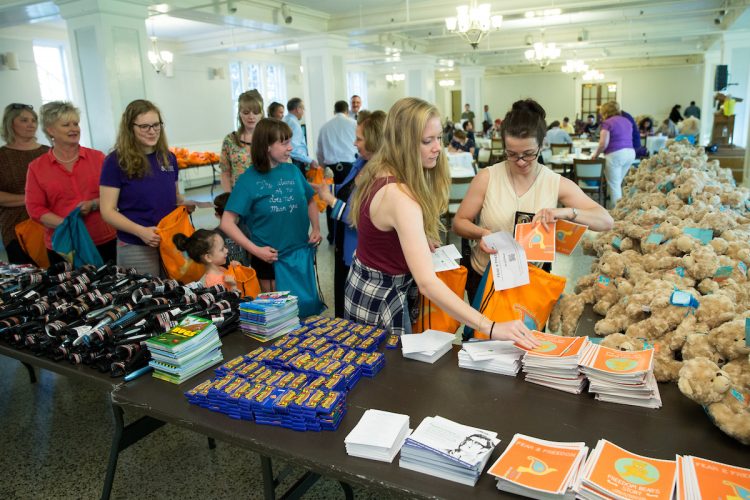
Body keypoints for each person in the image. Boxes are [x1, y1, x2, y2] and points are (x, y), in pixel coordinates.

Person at [346, 97, 539, 347]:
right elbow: (427, 283)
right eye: (427, 141)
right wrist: (489, 326)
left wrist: (414, 237)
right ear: (403, 144)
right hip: (382, 298)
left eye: (439, 138)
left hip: (365, 286)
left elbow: (380, 232)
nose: (437, 148)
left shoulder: (379, 170)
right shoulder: (401, 198)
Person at [452, 99, 613, 301]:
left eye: (528, 154)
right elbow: (459, 222)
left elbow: (606, 221)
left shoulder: (554, 182)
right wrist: (481, 233)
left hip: (531, 282)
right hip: (486, 278)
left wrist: (567, 212)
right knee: (482, 333)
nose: (520, 162)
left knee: (529, 333)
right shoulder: (487, 177)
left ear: (541, 145)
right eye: (512, 154)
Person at [220, 118, 321, 293]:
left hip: (300, 253)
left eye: (289, 142)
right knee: (279, 315)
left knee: (305, 307)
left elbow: (311, 200)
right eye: (284, 143)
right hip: (270, 259)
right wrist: (256, 251)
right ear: (267, 146)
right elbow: (227, 223)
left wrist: (317, 228)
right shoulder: (248, 180)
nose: (290, 147)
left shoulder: (293, 171)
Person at [312, 110, 386, 317]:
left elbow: (361, 218)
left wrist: (330, 200)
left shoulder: (381, 175)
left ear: (374, 140)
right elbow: (348, 193)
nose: (354, 143)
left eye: (359, 139)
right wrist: (324, 190)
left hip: (360, 254)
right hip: (345, 249)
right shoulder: (361, 164)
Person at [100, 99, 186, 276]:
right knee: (145, 297)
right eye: (144, 126)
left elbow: (174, 196)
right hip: (136, 244)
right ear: (130, 128)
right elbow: (107, 211)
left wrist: (184, 206)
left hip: (168, 240)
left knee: (173, 293)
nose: (152, 131)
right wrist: (140, 231)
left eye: (156, 125)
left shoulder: (168, 157)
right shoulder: (115, 162)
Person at [25, 101, 116, 265]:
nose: (74, 128)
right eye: (66, 124)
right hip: (65, 247)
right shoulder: (37, 167)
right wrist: (69, 225)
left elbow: (116, 194)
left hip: (104, 241)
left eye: (76, 123)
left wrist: (93, 204)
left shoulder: (98, 158)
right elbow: (35, 209)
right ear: (50, 130)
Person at [0, 103, 49, 264]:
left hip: (51, 224)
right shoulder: (2, 156)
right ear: (10, 123)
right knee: (29, 280)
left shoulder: (48, 152)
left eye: (34, 120)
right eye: (24, 120)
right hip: (16, 228)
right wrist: (32, 199)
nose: (31, 124)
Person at [317, 100, 357, 245]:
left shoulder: (325, 127)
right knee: (348, 200)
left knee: (329, 199)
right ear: (347, 111)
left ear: (334, 111)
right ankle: (346, 234)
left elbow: (319, 151)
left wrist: (323, 167)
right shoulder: (353, 124)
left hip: (331, 169)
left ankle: (332, 235)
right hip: (350, 167)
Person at [591, 101, 636, 208]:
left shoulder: (607, 123)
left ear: (604, 111)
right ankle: (615, 208)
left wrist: (595, 155)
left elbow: (603, 143)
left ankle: (616, 213)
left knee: (614, 185)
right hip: (630, 153)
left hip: (616, 154)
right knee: (617, 183)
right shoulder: (627, 121)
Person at [220, 90, 263, 192]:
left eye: (256, 112)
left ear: (262, 114)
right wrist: (229, 197)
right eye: (246, 112)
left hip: (267, 196)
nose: (251, 117)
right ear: (239, 114)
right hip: (239, 195)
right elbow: (225, 173)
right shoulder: (230, 140)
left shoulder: (271, 138)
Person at [173, 229, 237, 290]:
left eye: (224, 246)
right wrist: (233, 286)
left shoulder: (221, 269)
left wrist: (234, 269)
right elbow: (230, 301)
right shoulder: (214, 284)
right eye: (222, 249)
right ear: (208, 257)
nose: (227, 250)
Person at [213, 192, 250, 266]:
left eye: (236, 215)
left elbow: (249, 250)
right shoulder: (215, 236)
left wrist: (248, 265)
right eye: (228, 217)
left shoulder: (244, 228)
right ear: (217, 215)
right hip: (226, 274)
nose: (233, 220)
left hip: (244, 271)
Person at [283, 97, 318, 175]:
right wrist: (309, 160)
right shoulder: (294, 124)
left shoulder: (285, 120)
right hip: (295, 162)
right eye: (303, 109)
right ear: (298, 109)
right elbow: (293, 148)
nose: (303, 112)